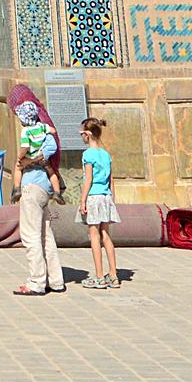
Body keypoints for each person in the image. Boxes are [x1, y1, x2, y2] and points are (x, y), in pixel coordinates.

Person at [7, 83, 65, 295]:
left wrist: (26, 161)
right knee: (45, 234)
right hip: (46, 185)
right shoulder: (45, 126)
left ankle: (36, 282)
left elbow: (41, 154)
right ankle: (55, 280)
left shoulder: (30, 130)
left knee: (30, 235)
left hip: (33, 187)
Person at [77, 116, 119, 289]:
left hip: (93, 197)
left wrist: (82, 200)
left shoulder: (88, 155)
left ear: (87, 135)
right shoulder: (106, 154)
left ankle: (99, 275)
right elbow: (111, 180)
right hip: (106, 197)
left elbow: (88, 179)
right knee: (106, 235)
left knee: (94, 236)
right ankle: (114, 275)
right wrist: (112, 199)